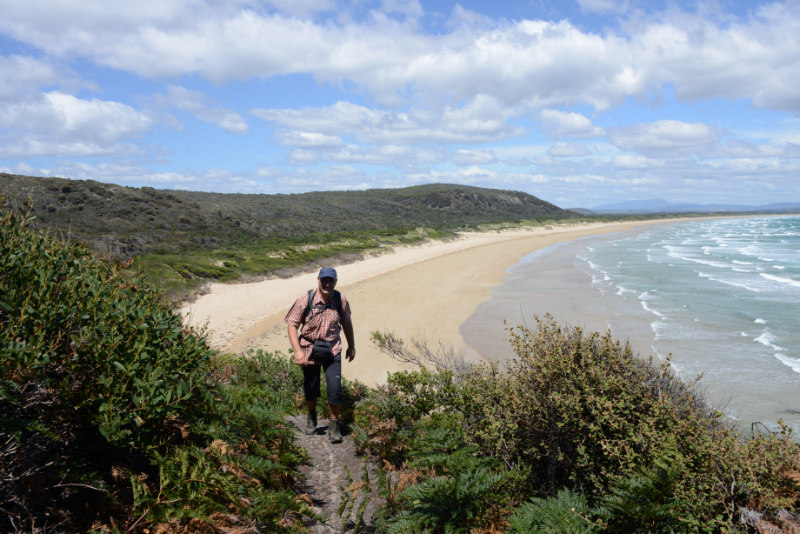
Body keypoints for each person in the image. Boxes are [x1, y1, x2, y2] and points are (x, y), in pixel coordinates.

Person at [285, 267, 355, 443]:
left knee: (335, 388)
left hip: (332, 348)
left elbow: (347, 324)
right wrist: (297, 351)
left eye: (331, 280)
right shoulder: (305, 299)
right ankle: (312, 417)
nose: (327, 283)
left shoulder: (341, 299)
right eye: (324, 280)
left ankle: (333, 426)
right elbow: (292, 324)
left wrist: (351, 346)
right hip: (309, 347)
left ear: (335, 282)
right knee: (311, 388)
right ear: (318, 280)